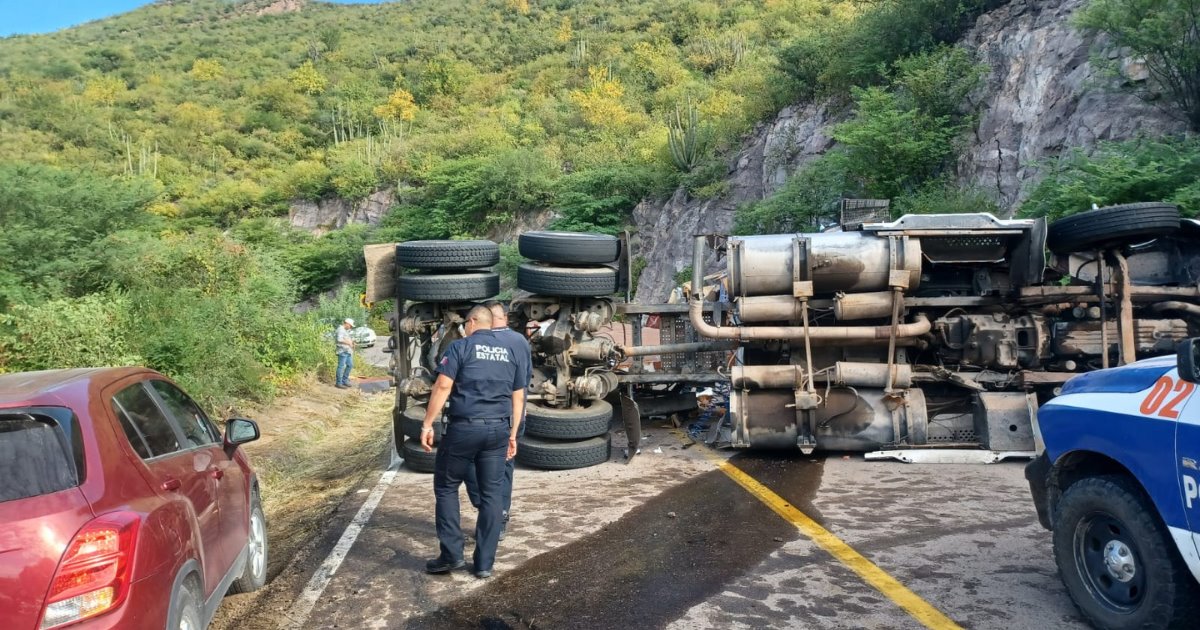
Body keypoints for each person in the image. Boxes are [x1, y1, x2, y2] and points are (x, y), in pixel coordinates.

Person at [421, 306, 528, 579]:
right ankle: (483, 564)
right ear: (491, 324)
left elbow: (443, 386)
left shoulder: (460, 348)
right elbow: (518, 398)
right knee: (492, 495)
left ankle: (452, 555)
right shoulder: (510, 351)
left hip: (464, 428)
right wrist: (513, 434)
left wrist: (427, 423)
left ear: (471, 323)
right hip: (498, 431)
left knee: (446, 487)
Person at [464, 301, 532, 541]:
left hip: (479, 417)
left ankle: (485, 506)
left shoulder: (477, 342)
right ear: (505, 317)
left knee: (470, 462)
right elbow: (524, 379)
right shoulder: (520, 342)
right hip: (513, 413)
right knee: (504, 467)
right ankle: (499, 516)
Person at [335, 318, 355, 389]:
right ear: (346, 323)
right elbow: (339, 339)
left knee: (350, 365)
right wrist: (349, 343)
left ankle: (344, 380)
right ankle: (338, 383)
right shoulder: (340, 329)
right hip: (342, 351)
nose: (351, 327)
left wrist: (352, 343)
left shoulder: (345, 330)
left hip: (347, 351)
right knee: (341, 367)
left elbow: (345, 338)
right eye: (350, 325)